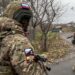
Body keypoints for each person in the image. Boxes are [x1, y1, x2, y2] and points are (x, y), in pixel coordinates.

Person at [0, 1, 33, 75]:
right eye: (24, 19)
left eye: (27, 19)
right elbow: (33, 71)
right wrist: (37, 63)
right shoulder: (20, 42)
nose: (27, 23)